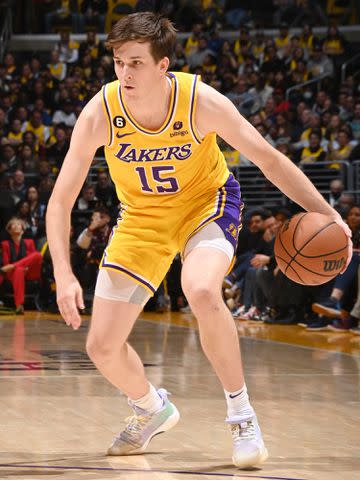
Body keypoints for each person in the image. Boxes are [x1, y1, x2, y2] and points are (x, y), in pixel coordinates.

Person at [46, 12, 352, 470]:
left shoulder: (199, 101)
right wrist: (64, 274)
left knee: (203, 288)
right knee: (101, 347)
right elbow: (60, 201)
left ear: (162, 64)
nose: (124, 73)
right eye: (117, 62)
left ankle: (241, 414)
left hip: (205, 206)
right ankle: (152, 408)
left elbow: (267, 158)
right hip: (141, 220)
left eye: (135, 63)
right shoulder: (100, 113)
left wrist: (327, 214)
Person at [0, 217, 43, 314]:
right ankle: (19, 305)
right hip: (13, 273)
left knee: (38, 255)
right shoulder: (5, 244)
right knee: (18, 270)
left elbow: (33, 260)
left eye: (18, 224)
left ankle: (15, 266)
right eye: (13, 224)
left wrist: (14, 265)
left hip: (30, 272)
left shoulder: (29, 242)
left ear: (23, 230)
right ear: (9, 231)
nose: (16, 226)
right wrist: (17, 268)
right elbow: (6, 265)